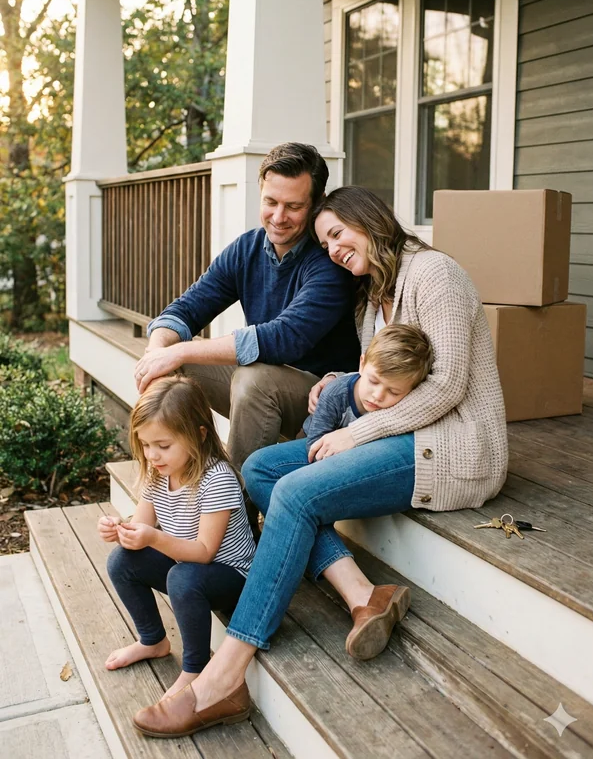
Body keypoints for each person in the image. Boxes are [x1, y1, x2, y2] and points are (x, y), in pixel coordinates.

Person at [132, 185, 508, 739]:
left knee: (295, 493)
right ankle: (363, 593)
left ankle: (226, 674)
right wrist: (346, 384)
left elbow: (448, 383)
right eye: (324, 240)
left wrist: (359, 431)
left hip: (449, 447)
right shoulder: (371, 292)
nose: (330, 249)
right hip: (394, 434)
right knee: (261, 469)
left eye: (336, 234)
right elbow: (385, 372)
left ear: (370, 219)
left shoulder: (436, 275)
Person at [134, 142, 359, 473]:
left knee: (252, 378)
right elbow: (187, 309)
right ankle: (191, 484)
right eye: (270, 202)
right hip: (261, 389)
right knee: (170, 366)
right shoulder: (247, 248)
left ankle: (235, 511)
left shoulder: (329, 260)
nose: (278, 217)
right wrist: (156, 355)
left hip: (320, 399)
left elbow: (284, 338)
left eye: (293, 206)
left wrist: (180, 352)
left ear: (315, 205)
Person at [98, 376, 256, 703]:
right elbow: (139, 528)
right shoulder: (160, 474)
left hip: (233, 577)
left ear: (198, 435)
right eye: (145, 445)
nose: (153, 455)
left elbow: (203, 552)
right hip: (189, 567)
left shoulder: (218, 480)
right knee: (122, 561)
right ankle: (153, 640)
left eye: (163, 445)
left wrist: (152, 537)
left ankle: (195, 668)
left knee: (181, 576)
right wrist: (121, 531)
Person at [304, 323, 433, 454]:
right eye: (373, 381)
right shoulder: (334, 394)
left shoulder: (404, 407)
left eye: (393, 392)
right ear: (362, 364)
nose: (377, 396)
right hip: (310, 438)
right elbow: (314, 446)